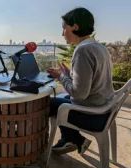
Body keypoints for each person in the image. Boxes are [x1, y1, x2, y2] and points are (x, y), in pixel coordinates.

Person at [47, 7, 115, 155]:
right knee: (62, 98)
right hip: (103, 106)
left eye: (64, 28)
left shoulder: (83, 51)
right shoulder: (98, 47)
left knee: (46, 104)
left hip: (93, 115)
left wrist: (61, 76)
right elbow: (92, 80)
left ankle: (73, 139)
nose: (62, 33)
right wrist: (68, 74)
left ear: (75, 27)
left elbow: (79, 94)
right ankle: (70, 139)